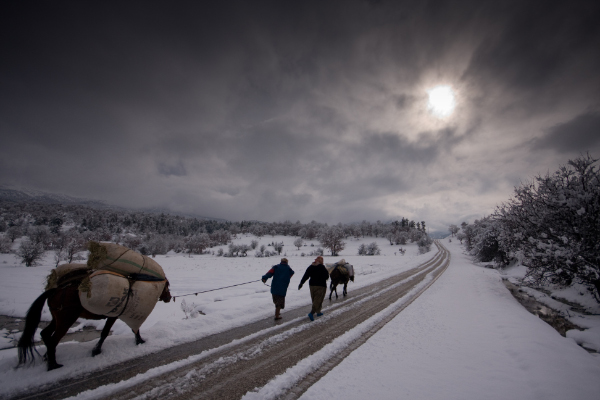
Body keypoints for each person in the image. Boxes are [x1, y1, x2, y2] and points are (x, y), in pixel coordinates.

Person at [298, 256, 329, 321]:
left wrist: (301, 283)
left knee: (314, 299)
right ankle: (312, 313)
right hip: (320, 285)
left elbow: (306, 275)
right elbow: (326, 276)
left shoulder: (310, 267)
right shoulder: (321, 267)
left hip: (312, 285)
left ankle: (318, 312)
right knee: (318, 299)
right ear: (321, 261)